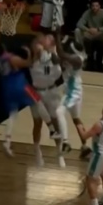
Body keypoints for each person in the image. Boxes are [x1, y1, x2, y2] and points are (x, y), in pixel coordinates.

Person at [0, 41, 61, 159]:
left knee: (13, 114)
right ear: (4, 48)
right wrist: (29, 53)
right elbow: (28, 63)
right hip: (20, 85)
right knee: (37, 100)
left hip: (7, 88)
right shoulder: (11, 58)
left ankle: (7, 140)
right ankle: (51, 130)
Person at [29, 34, 66, 167]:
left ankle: (60, 152)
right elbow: (36, 48)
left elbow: (59, 67)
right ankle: (37, 150)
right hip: (36, 92)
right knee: (37, 123)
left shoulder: (53, 56)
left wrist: (53, 51)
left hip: (51, 91)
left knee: (55, 122)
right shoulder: (33, 56)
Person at [54, 32, 92, 160]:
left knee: (59, 112)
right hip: (74, 90)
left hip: (73, 91)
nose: (68, 50)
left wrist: (57, 34)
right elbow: (59, 58)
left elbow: (61, 54)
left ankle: (66, 142)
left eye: (70, 49)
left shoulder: (77, 60)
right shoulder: (71, 58)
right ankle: (85, 147)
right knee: (76, 119)